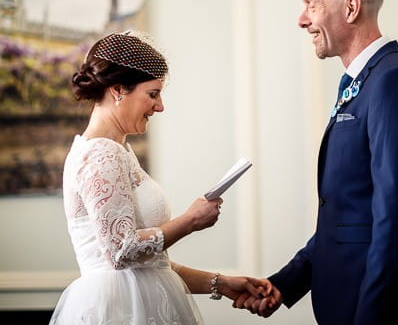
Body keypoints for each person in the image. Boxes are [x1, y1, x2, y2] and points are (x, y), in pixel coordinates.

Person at [236, 0, 398, 323]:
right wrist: (287, 282)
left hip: (373, 310)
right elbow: (348, 212)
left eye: (312, 5)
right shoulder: (362, 82)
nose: (302, 19)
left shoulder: (394, 82)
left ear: (351, 8)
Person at [49, 31, 272, 324]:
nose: (160, 106)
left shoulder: (118, 151)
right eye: (153, 94)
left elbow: (148, 264)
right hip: (121, 312)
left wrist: (222, 283)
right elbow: (122, 251)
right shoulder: (101, 154)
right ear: (118, 90)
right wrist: (190, 221)